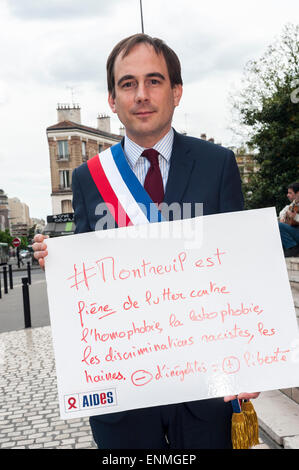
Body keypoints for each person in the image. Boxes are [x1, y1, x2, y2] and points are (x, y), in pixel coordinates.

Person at [33, 34, 259, 449]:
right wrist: (59, 261)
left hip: (204, 384)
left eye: (154, 81)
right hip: (124, 391)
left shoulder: (218, 163)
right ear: (112, 99)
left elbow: (240, 269)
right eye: (127, 83)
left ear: (176, 92)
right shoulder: (88, 178)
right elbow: (88, 275)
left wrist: (252, 362)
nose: (141, 94)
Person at [278, 182, 299, 257]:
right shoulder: (294, 204)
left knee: (279, 226)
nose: (287, 195)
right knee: (278, 224)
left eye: (290, 193)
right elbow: (283, 211)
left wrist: (295, 217)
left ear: (297, 193)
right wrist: (282, 217)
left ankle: (293, 248)